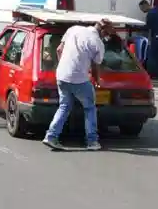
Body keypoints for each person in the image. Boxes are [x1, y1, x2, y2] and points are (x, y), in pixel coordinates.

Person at [42, 20, 115, 151]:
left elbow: (59, 50)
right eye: (107, 34)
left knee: (64, 106)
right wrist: (97, 80)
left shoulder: (73, 29)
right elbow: (95, 65)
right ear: (103, 31)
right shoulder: (97, 42)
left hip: (61, 75)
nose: (106, 37)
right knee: (90, 108)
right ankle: (92, 141)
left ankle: (51, 136)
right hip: (79, 79)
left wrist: (64, 67)